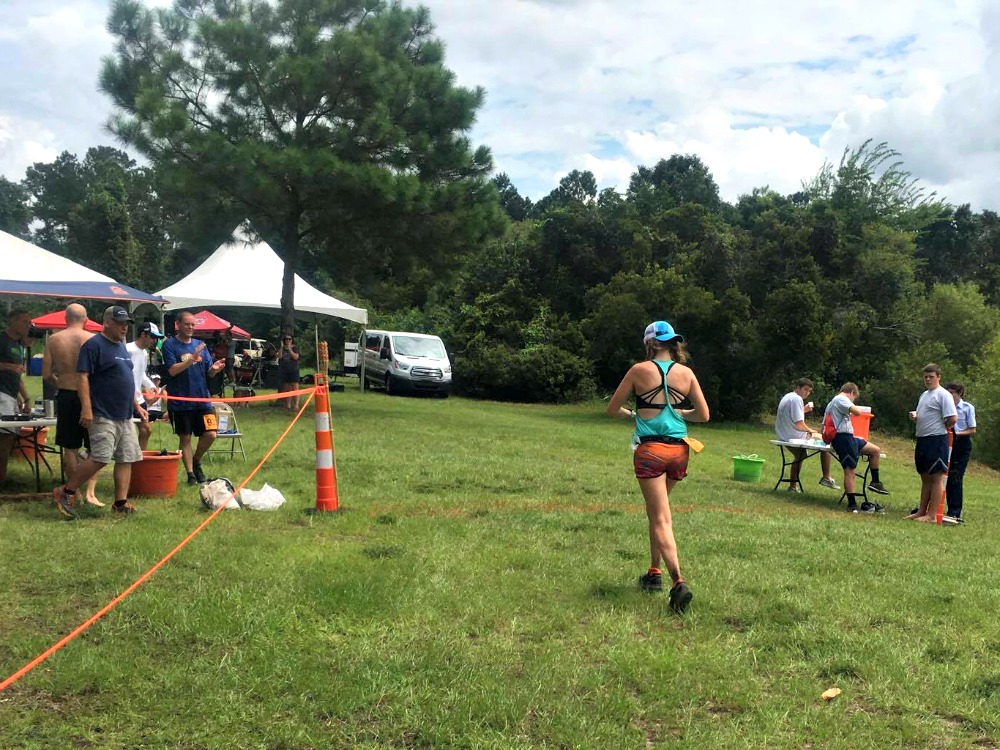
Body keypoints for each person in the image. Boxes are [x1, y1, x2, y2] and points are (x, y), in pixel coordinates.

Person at [606, 320, 710, 614]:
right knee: (658, 511)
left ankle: (678, 582)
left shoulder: (639, 370)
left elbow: (612, 409)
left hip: (650, 450)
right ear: (673, 344)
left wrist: (634, 415)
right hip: (679, 450)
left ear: (649, 344)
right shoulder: (686, 373)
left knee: (661, 517)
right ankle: (653, 573)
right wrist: (678, 411)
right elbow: (703, 415)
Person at [52, 306, 147, 518]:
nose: (124, 327)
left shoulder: (121, 348)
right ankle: (66, 492)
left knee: (126, 457)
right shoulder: (94, 345)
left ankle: (120, 503)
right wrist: (86, 408)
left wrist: (136, 405)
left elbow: (126, 379)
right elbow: (82, 377)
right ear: (107, 323)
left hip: (124, 414)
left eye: (126, 324)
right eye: (120, 323)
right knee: (101, 457)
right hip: (103, 412)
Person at [42, 304, 104, 506]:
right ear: (86, 319)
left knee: (70, 448)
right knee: (95, 447)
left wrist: (61, 381)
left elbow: (46, 375)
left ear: (65, 319)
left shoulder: (54, 339)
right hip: (91, 395)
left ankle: (74, 493)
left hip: (67, 394)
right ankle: (91, 491)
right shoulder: (93, 339)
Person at [163, 310, 225, 484]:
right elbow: (172, 371)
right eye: (187, 324)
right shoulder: (170, 345)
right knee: (186, 438)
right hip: (181, 401)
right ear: (178, 325)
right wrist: (192, 358)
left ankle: (196, 461)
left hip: (203, 400)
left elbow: (209, 372)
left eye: (193, 324)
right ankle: (191, 475)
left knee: (211, 434)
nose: (190, 327)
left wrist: (215, 369)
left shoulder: (200, 345)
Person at [824, 383, 890, 513]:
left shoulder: (831, 403)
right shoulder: (841, 399)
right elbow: (857, 412)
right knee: (850, 471)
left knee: (875, 450)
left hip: (850, 437)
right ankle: (852, 504)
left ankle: (875, 482)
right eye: (854, 398)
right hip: (843, 438)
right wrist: (856, 408)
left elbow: (824, 424)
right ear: (852, 393)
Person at [906, 364, 958, 522]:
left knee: (936, 477)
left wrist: (942, 428)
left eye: (931, 376)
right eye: (926, 377)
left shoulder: (943, 395)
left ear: (938, 377)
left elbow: (952, 418)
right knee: (925, 477)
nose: (928, 379)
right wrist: (916, 417)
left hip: (937, 439)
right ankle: (921, 511)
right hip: (923, 438)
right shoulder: (924, 395)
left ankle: (932, 515)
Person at [774, 378, 838, 492]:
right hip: (794, 436)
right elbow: (799, 424)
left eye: (809, 391)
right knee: (826, 440)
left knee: (800, 456)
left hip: (784, 434)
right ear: (798, 387)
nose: (807, 393)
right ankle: (826, 477)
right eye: (805, 389)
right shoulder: (797, 399)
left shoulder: (788, 396)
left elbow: (790, 415)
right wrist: (810, 431)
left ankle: (793, 487)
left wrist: (804, 410)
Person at [0, 309, 31, 483]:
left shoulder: (20, 344)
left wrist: (25, 398)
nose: (28, 326)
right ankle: (2, 480)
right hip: (1, 393)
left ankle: (3, 477)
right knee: (4, 437)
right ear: (13, 321)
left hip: (11, 396)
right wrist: (8, 366)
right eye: (25, 322)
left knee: (9, 437)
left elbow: (18, 376)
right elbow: (13, 369)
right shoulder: (2, 340)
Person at [127, 322, 165, 451]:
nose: (155, 341)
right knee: (125, 434)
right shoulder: (128, 349)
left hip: (139, 399)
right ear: (143, 334)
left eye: (156, 338)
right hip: (127, 399)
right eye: (152, 337)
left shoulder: (144, 353)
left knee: (146, 430)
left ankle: (139, 458)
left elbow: (141, 372)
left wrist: (150, 385)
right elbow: (126, 376)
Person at [943, 382, 975, 523]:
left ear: (959, 393)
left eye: (952, 393)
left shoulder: (967, 408)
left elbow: (972, 429)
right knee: (941, 474)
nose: (949, 395)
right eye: (947, 392)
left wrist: (957, 433)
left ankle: (954, 511)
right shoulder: (944, 406)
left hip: (961, 444)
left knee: (955, 477)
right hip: (946, 442)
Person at [277, 333, 301, 410]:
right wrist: (281, 347)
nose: (287, 340)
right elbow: (280, 357)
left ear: (292, 340)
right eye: (286, 339)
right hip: (285, 370)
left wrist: (290, 349)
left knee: (295, 387)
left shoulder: (295, 348)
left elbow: (295, 357)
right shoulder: (282, 348)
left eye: (289, 339)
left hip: (294, 370)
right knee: (287, 388)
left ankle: (296, 404)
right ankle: (287, 405)